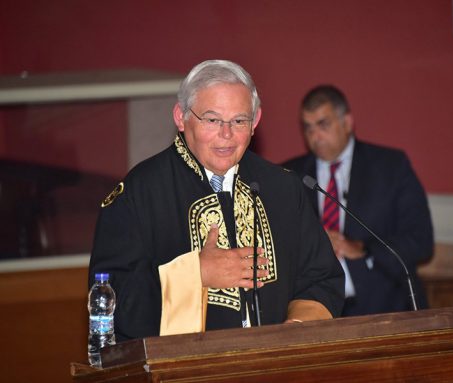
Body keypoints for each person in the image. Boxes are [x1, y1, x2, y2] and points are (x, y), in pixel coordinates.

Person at [89, 61, 345, 342]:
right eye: (212, 120)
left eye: (239, 121)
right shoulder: (139, 192)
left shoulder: (283, 187)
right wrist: (193, 274)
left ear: (255, 121)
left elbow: (321, 279)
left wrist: (295, 329)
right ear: (180, 117)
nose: (227, 134)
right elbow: (109, 298)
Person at [283, 85, 434, 316]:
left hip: (384, 310)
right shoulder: (289, 175)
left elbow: (420, 240)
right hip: (314, 312)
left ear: (347, 122)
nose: (315, 137)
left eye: (323, 125)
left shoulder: (390, 167)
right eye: (308, 128)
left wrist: (363, 248)